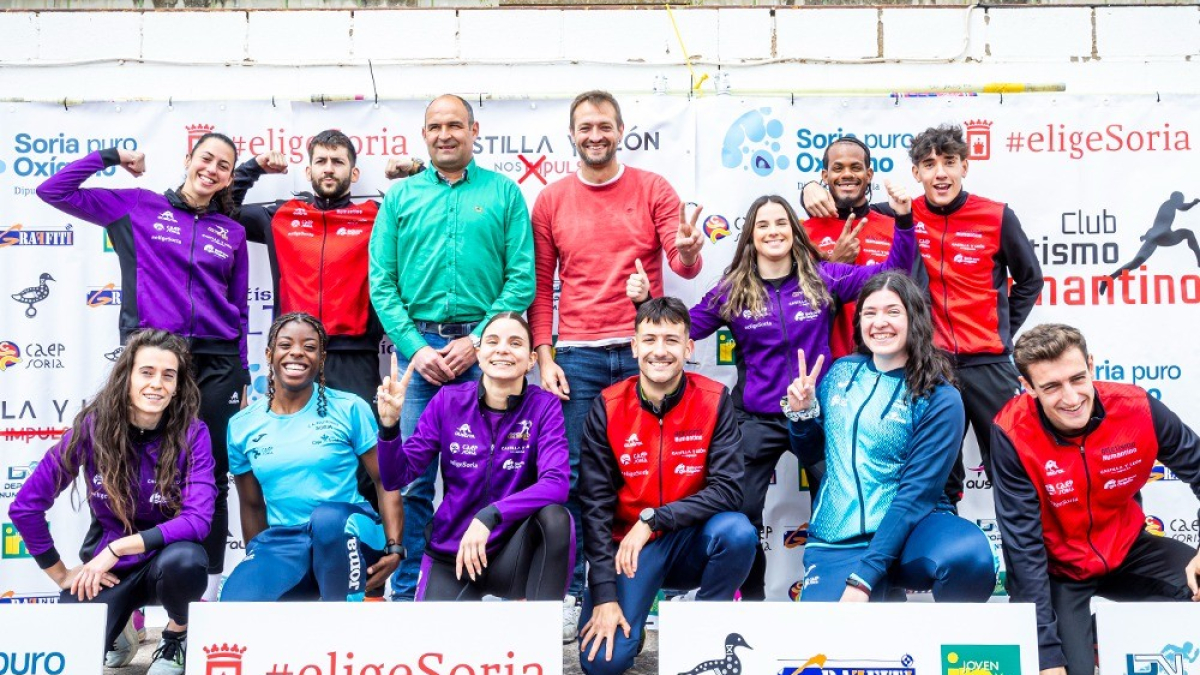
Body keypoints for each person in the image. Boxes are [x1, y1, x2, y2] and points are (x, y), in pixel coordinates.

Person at [627, 188, 915, 601]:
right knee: (739, 512)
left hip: (817, 414)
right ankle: (752, 600)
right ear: (751, 236)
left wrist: (903, 222)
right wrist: (646, 302)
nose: (773, 230)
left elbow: (894, 275)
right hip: (756, 418)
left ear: (795, 231)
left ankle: (838, 593)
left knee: (843, 507)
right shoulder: (733, 289)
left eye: (781, 222)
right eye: (763, 225)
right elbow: (682, 327)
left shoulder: (823, 277)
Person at [37, 135, 250, 598]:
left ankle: (204, 594)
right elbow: (53, 190)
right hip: (153, 357)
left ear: (230, 178)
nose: (212, 169)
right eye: (206, 158)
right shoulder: (137, 206)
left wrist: (244, 373)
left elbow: (239, 307)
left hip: (217, 364)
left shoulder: (231, 232)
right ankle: (119, 582)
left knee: (211, 478)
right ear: (188, 160)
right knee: (123, 467)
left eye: (224, 165)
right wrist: (111, 157)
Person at [529, 90, 705, 634]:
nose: (595, 135)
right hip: (576, 356)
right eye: (585, 127)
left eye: (604, 125)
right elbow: (540, 285)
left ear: (621, 130)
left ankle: (652, 588)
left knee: (651, 473)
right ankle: (576, 591)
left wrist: (690, 251)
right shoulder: (551, 199)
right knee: (577, 477)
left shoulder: (653, 188)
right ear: (572, 135)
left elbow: (683, 264)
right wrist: (544, 356)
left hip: (643, 353)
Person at [803, 125, 1044, 502]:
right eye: (929, 165)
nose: (940, 173)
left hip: (989, 363)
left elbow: (1030, 280)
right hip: (932, 364)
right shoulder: (901, 214)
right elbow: (849, 200)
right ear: (916, 173)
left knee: (1013, 468)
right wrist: (808, 188)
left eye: (949, 162)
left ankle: (1025, 544)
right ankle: (945, 540)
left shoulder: (996, 215)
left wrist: (1000, 330)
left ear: (965, 166)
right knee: (939, 478)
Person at [370, 94, 535, 600]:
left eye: (455, 125)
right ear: (424, 134)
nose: (445, 134)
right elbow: (382, 282)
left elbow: (521, 278)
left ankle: (500, 585)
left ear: (474, 130)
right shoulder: (400, 198)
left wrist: (477, 340)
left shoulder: (504, 193)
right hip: (418, 354)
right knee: (414, 480)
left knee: (498, 474)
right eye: (436, 126)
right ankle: (410, 591)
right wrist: (415, 349)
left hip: (488, 353)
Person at [990, 323, 1200, 675]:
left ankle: (1101, 632)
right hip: (1059, 570)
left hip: (1130, 551)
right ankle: (1080, 638)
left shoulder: (1137, 408)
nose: (1071, 398)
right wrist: (1046, 655)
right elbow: (1023, 549)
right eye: (1052, 387)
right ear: (1028, 387)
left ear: (1091, 365)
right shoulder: (1012, 431)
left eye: (1077, 378)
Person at [8, 329, 215, 675]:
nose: (157, 384)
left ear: (178, 386)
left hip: (164, 561)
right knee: (70, 651)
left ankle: (177, 634)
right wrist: (60, 574)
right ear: (127, 377)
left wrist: (118, 548)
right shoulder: (93, 429)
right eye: (146, 372)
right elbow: (25, 506)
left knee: (188, 560)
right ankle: (120, 630)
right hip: (108, 574)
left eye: (168, 375)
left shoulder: (192, 433)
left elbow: (198, 520)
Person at [788, 272, 995, 602]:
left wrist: (864, 578)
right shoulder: (840, 373)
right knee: (831, 635)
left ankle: (948, 637)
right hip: (838, 537)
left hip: (914, 531)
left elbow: (917, 493)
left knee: (969, 556)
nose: (880, 322)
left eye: (892, 312)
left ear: (914, 319)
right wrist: (802, 415)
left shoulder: (940, 396)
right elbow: (812, 454)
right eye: (870, 312)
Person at [577, 297, 757, 675]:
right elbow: (594, 507)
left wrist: (655, 519)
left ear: (688, 348)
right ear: (634, 346)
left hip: (691, 540)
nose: (660, 351)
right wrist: (605, 595)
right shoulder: (608, 406)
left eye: (671, 340)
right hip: (630, 551)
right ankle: (635, 618)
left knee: (738, 532)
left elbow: (728, 489)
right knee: (602, 664)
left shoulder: (714, 399)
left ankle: (705, 629)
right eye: (650, 339)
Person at [376, 312, 573, 601]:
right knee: (433, 632)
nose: (502, 349)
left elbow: (556, 484)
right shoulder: (448, 400)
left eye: (515, 343)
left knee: (556, 519)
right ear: (479, 355)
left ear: (531, 360)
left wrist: (491, 515)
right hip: (453, 553)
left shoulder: (544, 406)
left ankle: (540, 621)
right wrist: (389, 426)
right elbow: (396, 477)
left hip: (512, 554)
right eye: (492, 341)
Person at [221, 313, 403, 601]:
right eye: (285, 345)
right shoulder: (242, 425)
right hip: (287, 542)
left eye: (309, 347)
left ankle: (343, 617)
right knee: (238, 601)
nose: (297, 352)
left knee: (327, 520)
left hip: (349, 530)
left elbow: (385, 481)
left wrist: (394, 548)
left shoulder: (349, 408)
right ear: (269, 354)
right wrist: (261, 560)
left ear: (321, 358)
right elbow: (252, 506)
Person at [801, 137, 898, 359]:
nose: (847, 174)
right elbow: (795, 305)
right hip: (824, 361)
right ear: (825, 176)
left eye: (855, 167)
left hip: (884, 359)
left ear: (869, 174)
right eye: (838, 168)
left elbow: (911, 296)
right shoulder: (804, 234)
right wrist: (834, 265)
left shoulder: (893, 228)